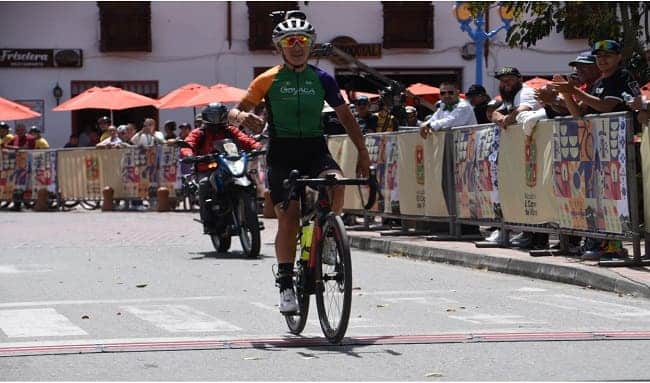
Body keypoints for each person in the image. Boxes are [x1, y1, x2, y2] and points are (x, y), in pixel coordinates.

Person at [226, 11, 371, 314]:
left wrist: (364, 153)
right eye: (290, 40)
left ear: (310, 44)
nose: (297, 45)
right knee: (289, 217)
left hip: (314, 149)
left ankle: (329, 235)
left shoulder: (322, 79)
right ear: (280, 46)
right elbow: (233, 113)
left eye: (302, 40)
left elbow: (346, 116)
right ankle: (285, 283)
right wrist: (244, 117)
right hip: (282, 152)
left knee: (336, 181)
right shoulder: (268, 79)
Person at [553, 40, 642, 260]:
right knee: (602, 195)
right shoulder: (599, 82)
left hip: (619, 146)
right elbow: (578, 115)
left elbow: (605, 106)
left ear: (619, 57)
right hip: (599, 146)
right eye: (599, 56)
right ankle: (602, 242)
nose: (603, 60)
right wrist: (566, 94)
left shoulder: (622, 76)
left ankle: (615, 246)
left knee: (618, 195)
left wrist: (574, 90)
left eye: (608, 56)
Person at [180, 103, 262, 234]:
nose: (216, 119)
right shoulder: (199, 133)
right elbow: (188, 144)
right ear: (206, 117)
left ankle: (252, 214)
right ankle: (207, 221)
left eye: (218, 116)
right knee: (204, 184)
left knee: (249, 179)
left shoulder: (230, 130)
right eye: (212, 116)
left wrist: (257, 147)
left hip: (229, 164)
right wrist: (189, 154)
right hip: (207, 167)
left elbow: (244, 139)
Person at [490, 67, 547, 250]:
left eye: (509, 80)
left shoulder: (525, 92)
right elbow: (495, 113)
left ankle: (539, 237)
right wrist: (501, 118)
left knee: (537, 192)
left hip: (536, 151)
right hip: (522, 154)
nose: (506, 84)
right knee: (524, 192)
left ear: (519, 79)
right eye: (503, 80)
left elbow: (523, 110)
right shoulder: (509, 97)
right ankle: (527, 231)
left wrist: (508, 119)